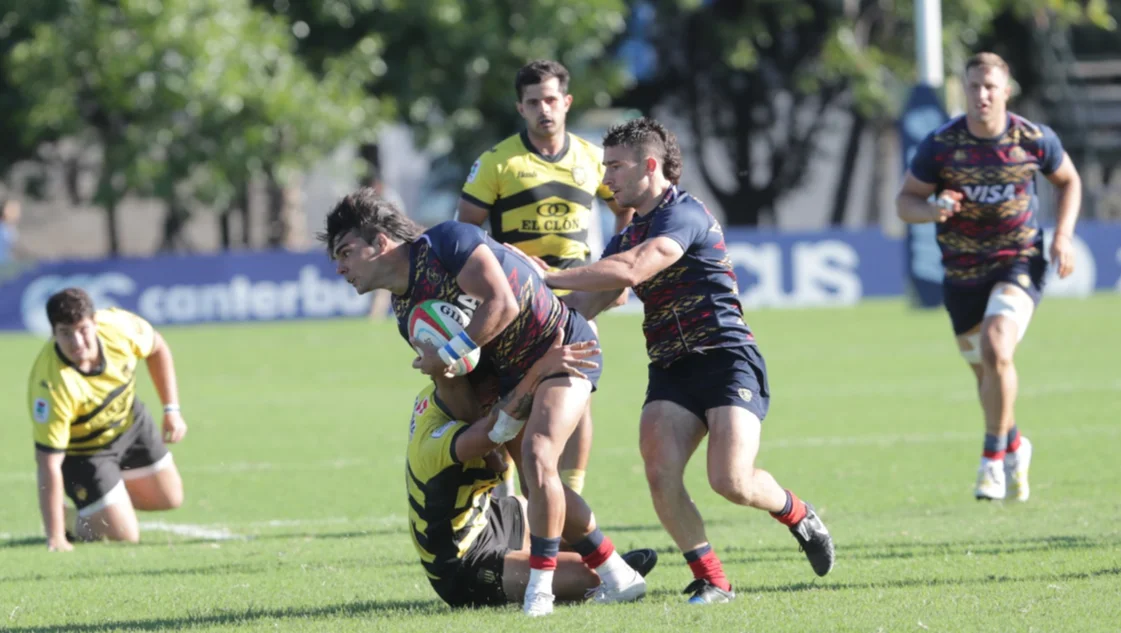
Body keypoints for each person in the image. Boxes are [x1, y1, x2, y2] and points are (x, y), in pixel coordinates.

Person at [537, 117, 835, 604]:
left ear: (650, 166)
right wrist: (529, 311)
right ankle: (713, 579)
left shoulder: (684, 214)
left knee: (731, 480)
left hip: (726, 359)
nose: (605, 178)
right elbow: (596, 300)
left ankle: (798, 513)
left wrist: (549, 275)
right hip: (671, 368)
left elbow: (635, 268)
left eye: (615, 166)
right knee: (660, 472)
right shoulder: (628, 233)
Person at [319, 190, 646, 616]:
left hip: (563, 346)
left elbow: (502, 303)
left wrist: (450, 352)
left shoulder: (447, 242)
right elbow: (463, 389)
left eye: (345, 252)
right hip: (514, 378)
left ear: (381, 242)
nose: (340, 268)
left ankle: (539, 592)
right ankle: (618, 574)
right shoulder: (408, 316)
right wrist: (491, 433)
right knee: (537, 482)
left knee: (539, 454)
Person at [896, 52, 1083, 501]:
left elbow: (1069, 181)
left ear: (1006, 90)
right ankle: (1017, 444)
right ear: (964, 89)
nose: (982, 94)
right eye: (974, 86)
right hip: (961, 273)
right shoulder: (941, 145)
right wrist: (933, 209)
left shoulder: (1033, 138)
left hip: (1018, 259)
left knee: (998, 345)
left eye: (990, 86)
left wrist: (1063, 237)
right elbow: (905, 202)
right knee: (987, 375)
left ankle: (991, 460)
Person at [457, 59, 634, 497]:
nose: (544, 109)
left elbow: (625, 208)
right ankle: (509, 489)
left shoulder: (592, 159)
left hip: (575, 294)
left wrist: (617, 270)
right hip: (517, 298)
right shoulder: (498, 163)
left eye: (551, 99)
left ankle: (570, 491)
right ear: (520, 107)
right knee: (510, 392)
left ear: (567, 102)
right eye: (534, 102)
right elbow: (465, 232)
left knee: (578, 392)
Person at [407, 329, 658, 608]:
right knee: (586, 577)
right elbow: (494, 428)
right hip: (462, 561)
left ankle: (606, 562)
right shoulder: (435, 438)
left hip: (488, 518)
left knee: (549, 506)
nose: (496, 400)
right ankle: (589, 572)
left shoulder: (442, 396)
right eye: (493, 396)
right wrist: (540, 369)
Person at [27, 288, 188, 551]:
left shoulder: (118, 327)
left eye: (82, 330)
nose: (77, 343)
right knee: (124, 534)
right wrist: (55, 536)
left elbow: (157, 348)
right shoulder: (51, 384)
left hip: (131, 426)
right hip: (85, 453)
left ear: (95, 323)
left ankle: (109, 500)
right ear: (53, 333)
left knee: (170, 498)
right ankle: (71, 520)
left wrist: (171, 410)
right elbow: (48, 463)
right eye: (65, 333)